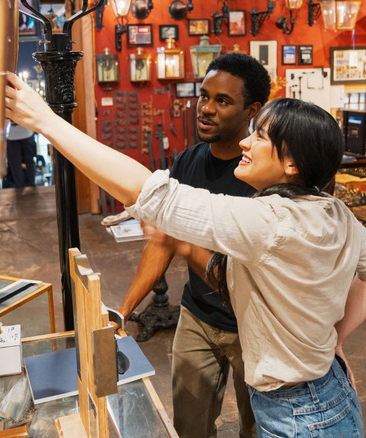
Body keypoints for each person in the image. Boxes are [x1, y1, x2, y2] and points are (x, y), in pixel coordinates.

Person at [5, 73, 366, 437]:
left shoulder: (270, 221)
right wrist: (333, 339)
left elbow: (149, 194)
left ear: (292, 164)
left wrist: (46, 121)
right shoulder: (332, 210)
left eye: (260, 137)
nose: (246, 142)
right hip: (329, 394)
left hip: (298, 415)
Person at [118, 53, 269, 438]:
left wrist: (184, 245)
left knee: (259, 428)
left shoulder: (263, 177)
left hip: (253, 326)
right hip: (197, 316)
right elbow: (162, 243)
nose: (206, 108)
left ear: (252, 110)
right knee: (189, 426)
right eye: (204, 96)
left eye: (223, 101)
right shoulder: (187, 162)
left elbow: (237, 278)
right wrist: (122, 312)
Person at [5, 121, 37, 187]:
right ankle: (20, 186)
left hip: (27, 133)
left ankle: (32, 184)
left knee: (29, 161)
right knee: (15, 163)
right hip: (12, 136)